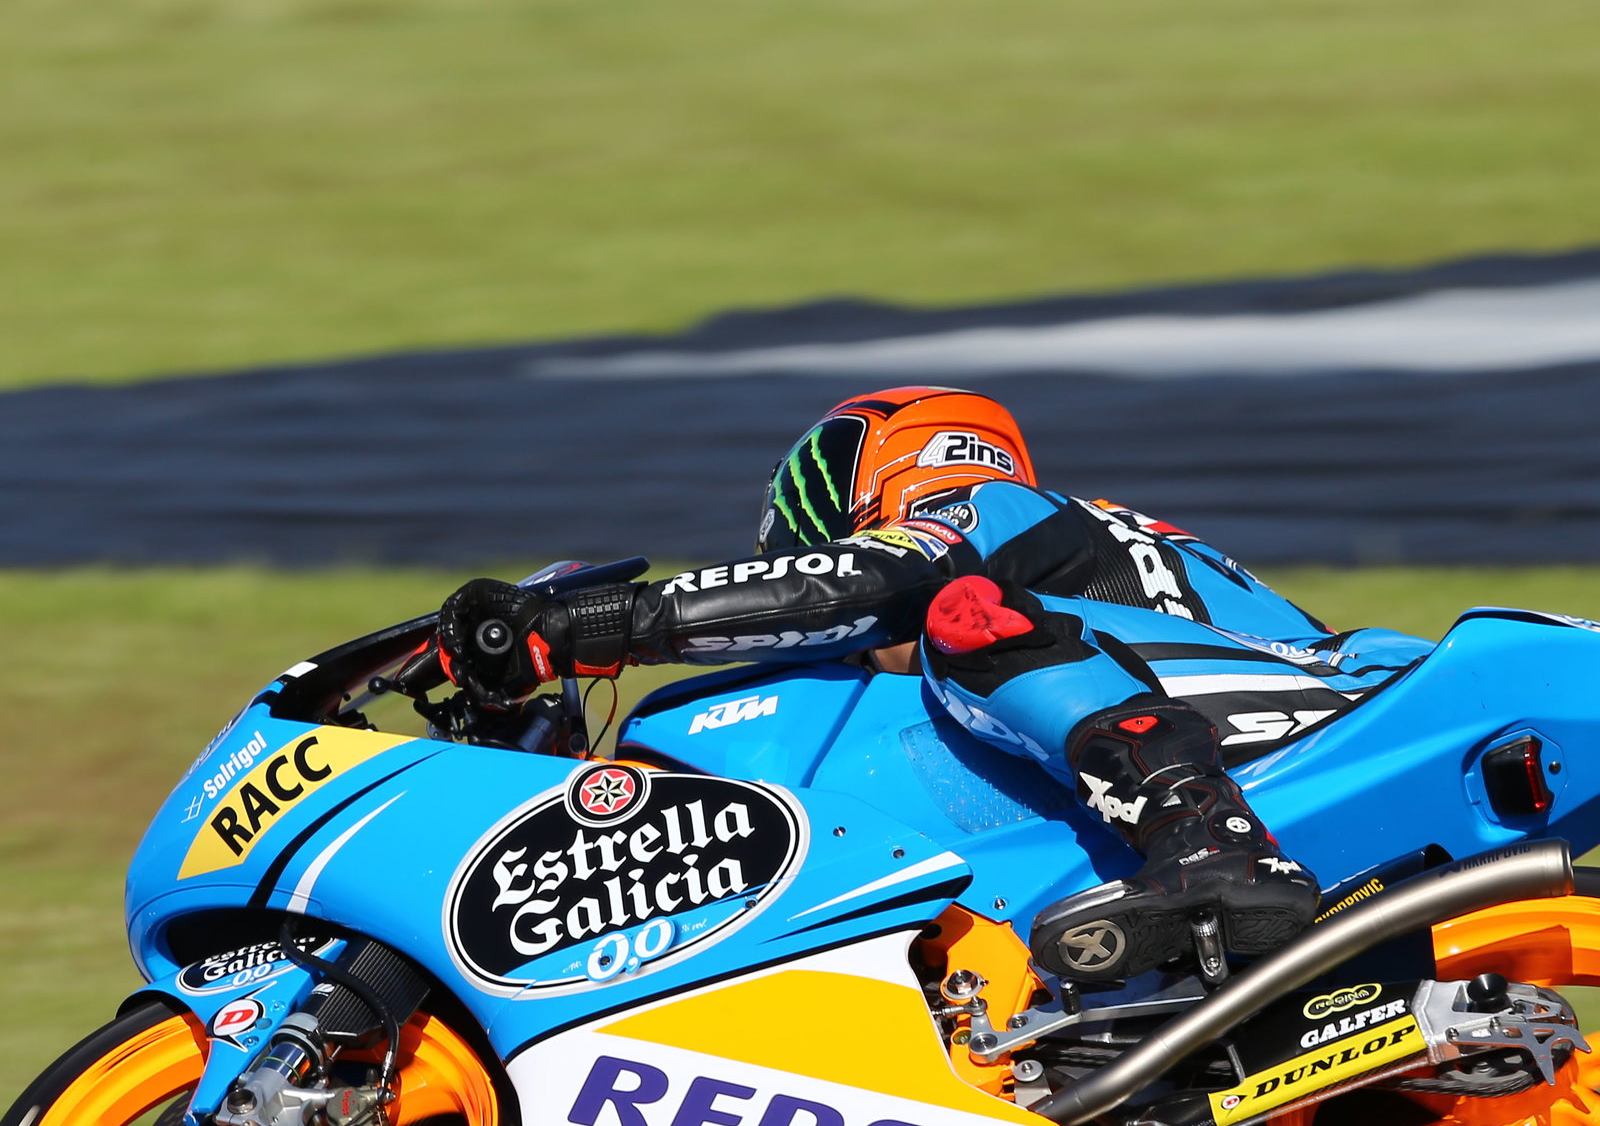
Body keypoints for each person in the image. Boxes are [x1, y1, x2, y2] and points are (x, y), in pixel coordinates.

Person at [435, 387, 1429, 987]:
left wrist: (593, 626)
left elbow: (873, 580)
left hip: (1322, 716)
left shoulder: (980, 509)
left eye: (819, 491)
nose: (793, 531)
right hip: (1293, 719)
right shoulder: (1076, 549)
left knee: (960, 619)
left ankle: (1206, 838)